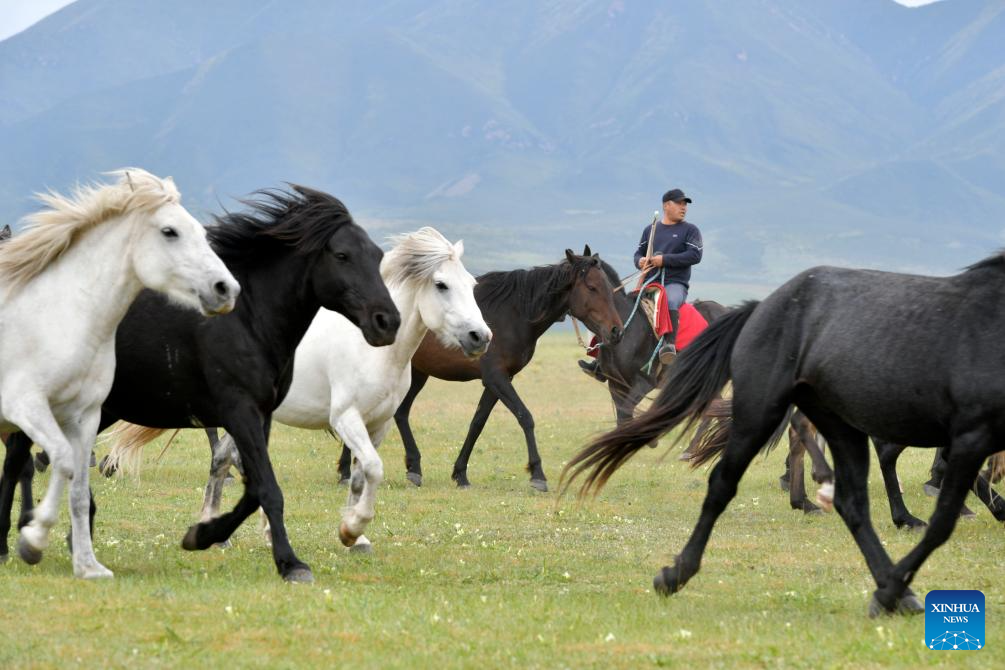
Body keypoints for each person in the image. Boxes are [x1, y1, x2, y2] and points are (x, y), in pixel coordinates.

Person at [580, 188, 703, 378]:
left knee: (670, 300)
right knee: (621, 309)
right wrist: (641, 261)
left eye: (685, 204)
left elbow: (695, 255)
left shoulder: (690, 230)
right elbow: (638, 254)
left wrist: (665, 260)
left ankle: (669, 346)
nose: (684, 207)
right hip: (649, 282)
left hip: (674, 283)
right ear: (666, 206)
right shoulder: (651, 230)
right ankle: (600, 362)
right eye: (679, 203)